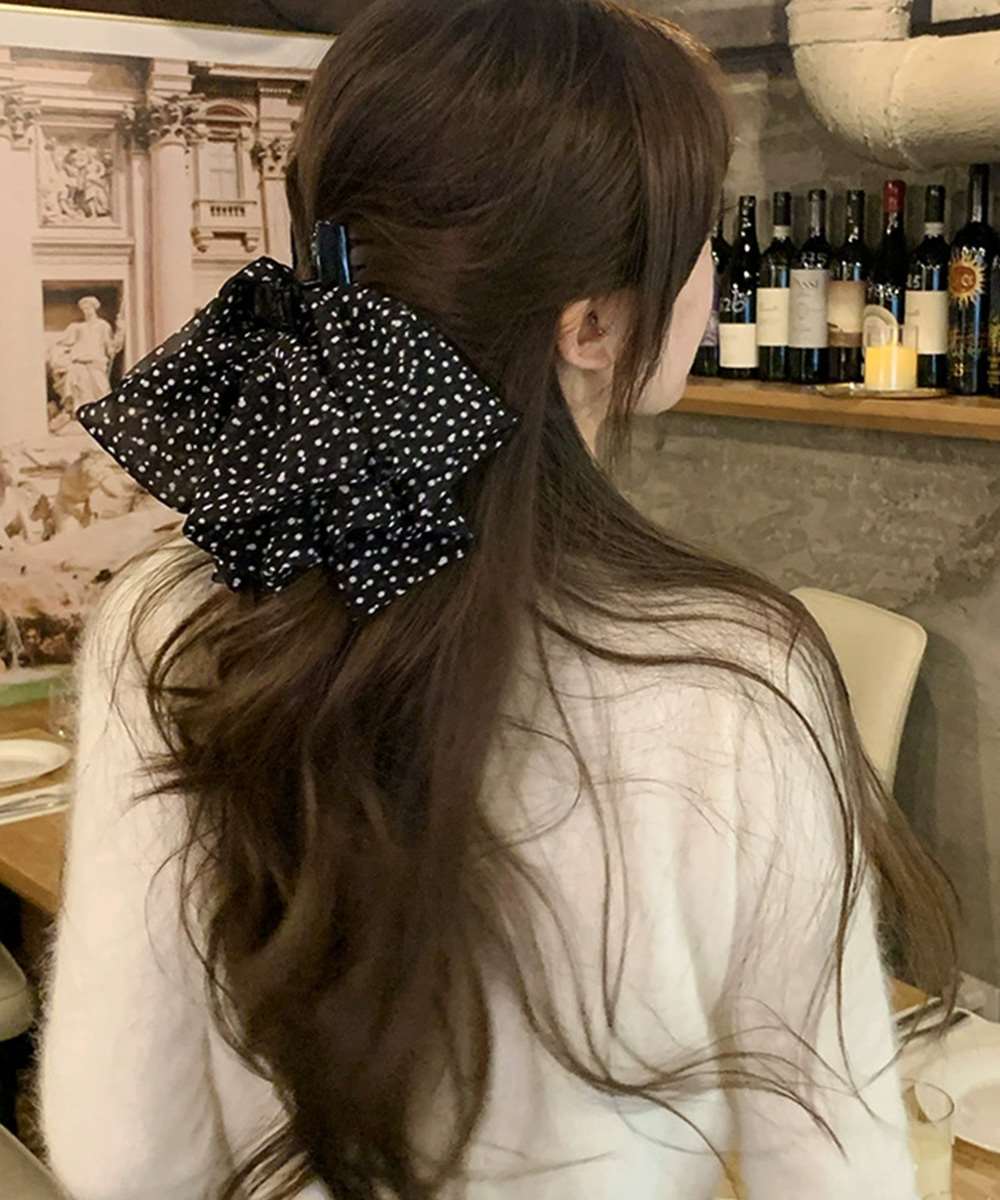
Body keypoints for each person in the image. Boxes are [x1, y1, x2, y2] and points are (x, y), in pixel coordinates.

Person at [40, 2, 957, 1197]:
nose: (714, 272)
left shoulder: (170, 617)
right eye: (698, 238)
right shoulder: (736, 672)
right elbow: (835, 1167)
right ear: (593, 322)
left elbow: (122, 1144)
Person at [47, 296, 125, 427]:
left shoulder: (103, 326)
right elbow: (65, 342)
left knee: (101, 389)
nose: (86, 311)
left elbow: (110, 347)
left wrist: (119, 336)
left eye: (89, 308)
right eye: (84, 309)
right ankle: (80, 415)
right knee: (78, 388)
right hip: (80, 362)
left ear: (94, 308)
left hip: (96, 363)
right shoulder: (78, 327)